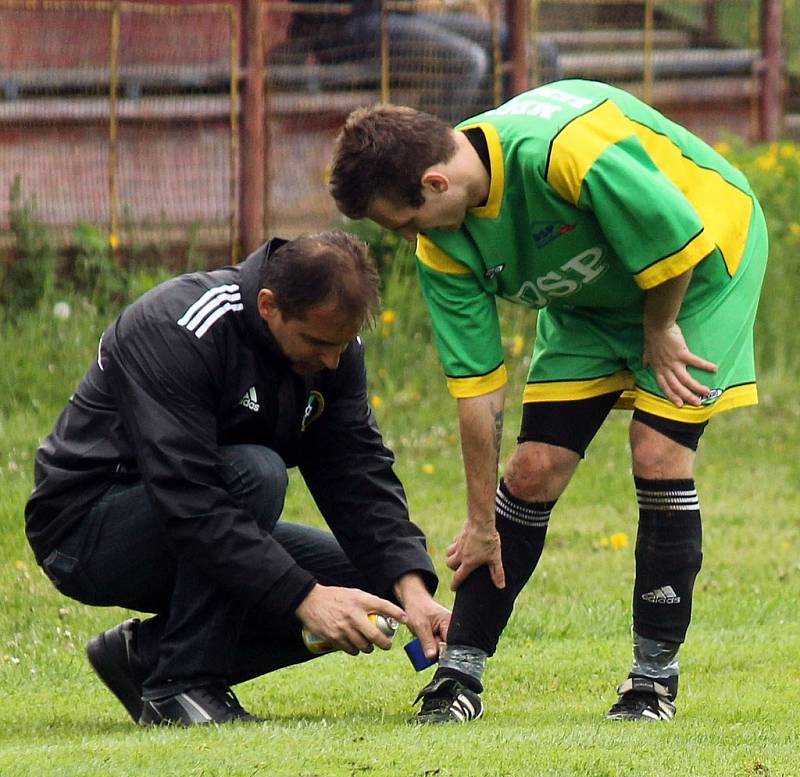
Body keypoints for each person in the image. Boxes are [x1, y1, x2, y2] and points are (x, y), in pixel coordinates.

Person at [328, 79, 768, 723]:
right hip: (589, 296)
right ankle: (459, 677)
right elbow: (478, 391)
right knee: (531, 470)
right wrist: (481, 523)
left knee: (656, 451)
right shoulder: (443, 244)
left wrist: (656, 329)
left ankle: (652, 682)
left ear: (435, 185)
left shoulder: (563, 152)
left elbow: (675, 234)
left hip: (699, 268)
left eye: (403, 221)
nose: (406, 239)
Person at [25, 231, 449, 726]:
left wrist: (412, 589)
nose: (332, 361)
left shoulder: (330, 347)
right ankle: (180, 687)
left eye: (341, 345)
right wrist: (305, 599)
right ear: (268, 306)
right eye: (318, 343)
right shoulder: (178, 326)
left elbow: (356, 470)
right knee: (257, 475)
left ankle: (143, 659)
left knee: (367, 589)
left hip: (195, 512)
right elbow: (191, 499)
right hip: (86, 529)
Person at [281, 0, 505, 123]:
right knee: (469, 62)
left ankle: (493, 156)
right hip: (345, 27)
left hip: (396, 14)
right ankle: (430, 157)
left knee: (504, 40)